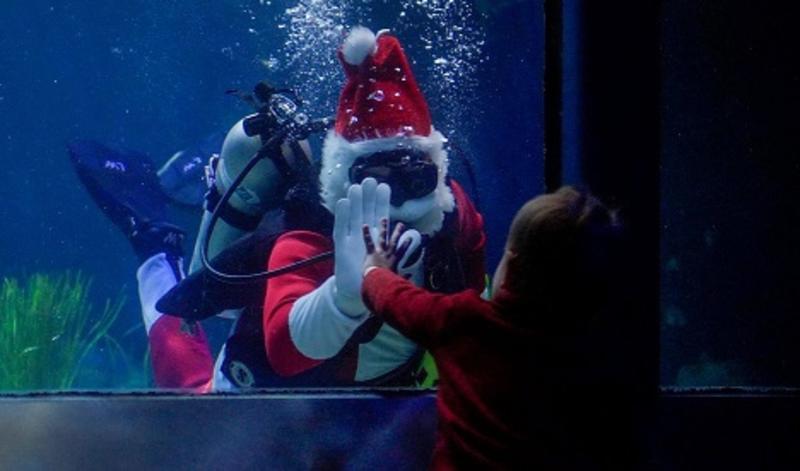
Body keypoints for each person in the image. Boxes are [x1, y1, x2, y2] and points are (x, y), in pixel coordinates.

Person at [247, 26, 486, 387]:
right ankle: (156, 254)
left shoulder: (451, 209)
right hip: (297, 402)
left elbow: (473, 288)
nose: (398, 201)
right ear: (347, 180)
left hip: (398, 391)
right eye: (377, 182)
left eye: (415, 179)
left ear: (435, 172)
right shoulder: (312, 226)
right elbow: (282, 351)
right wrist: (343, 298)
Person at [359, 187, 623, 469]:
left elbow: (398, 300)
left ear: (511, 262)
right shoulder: (591, 353)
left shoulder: (465, 322)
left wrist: (375, 271)